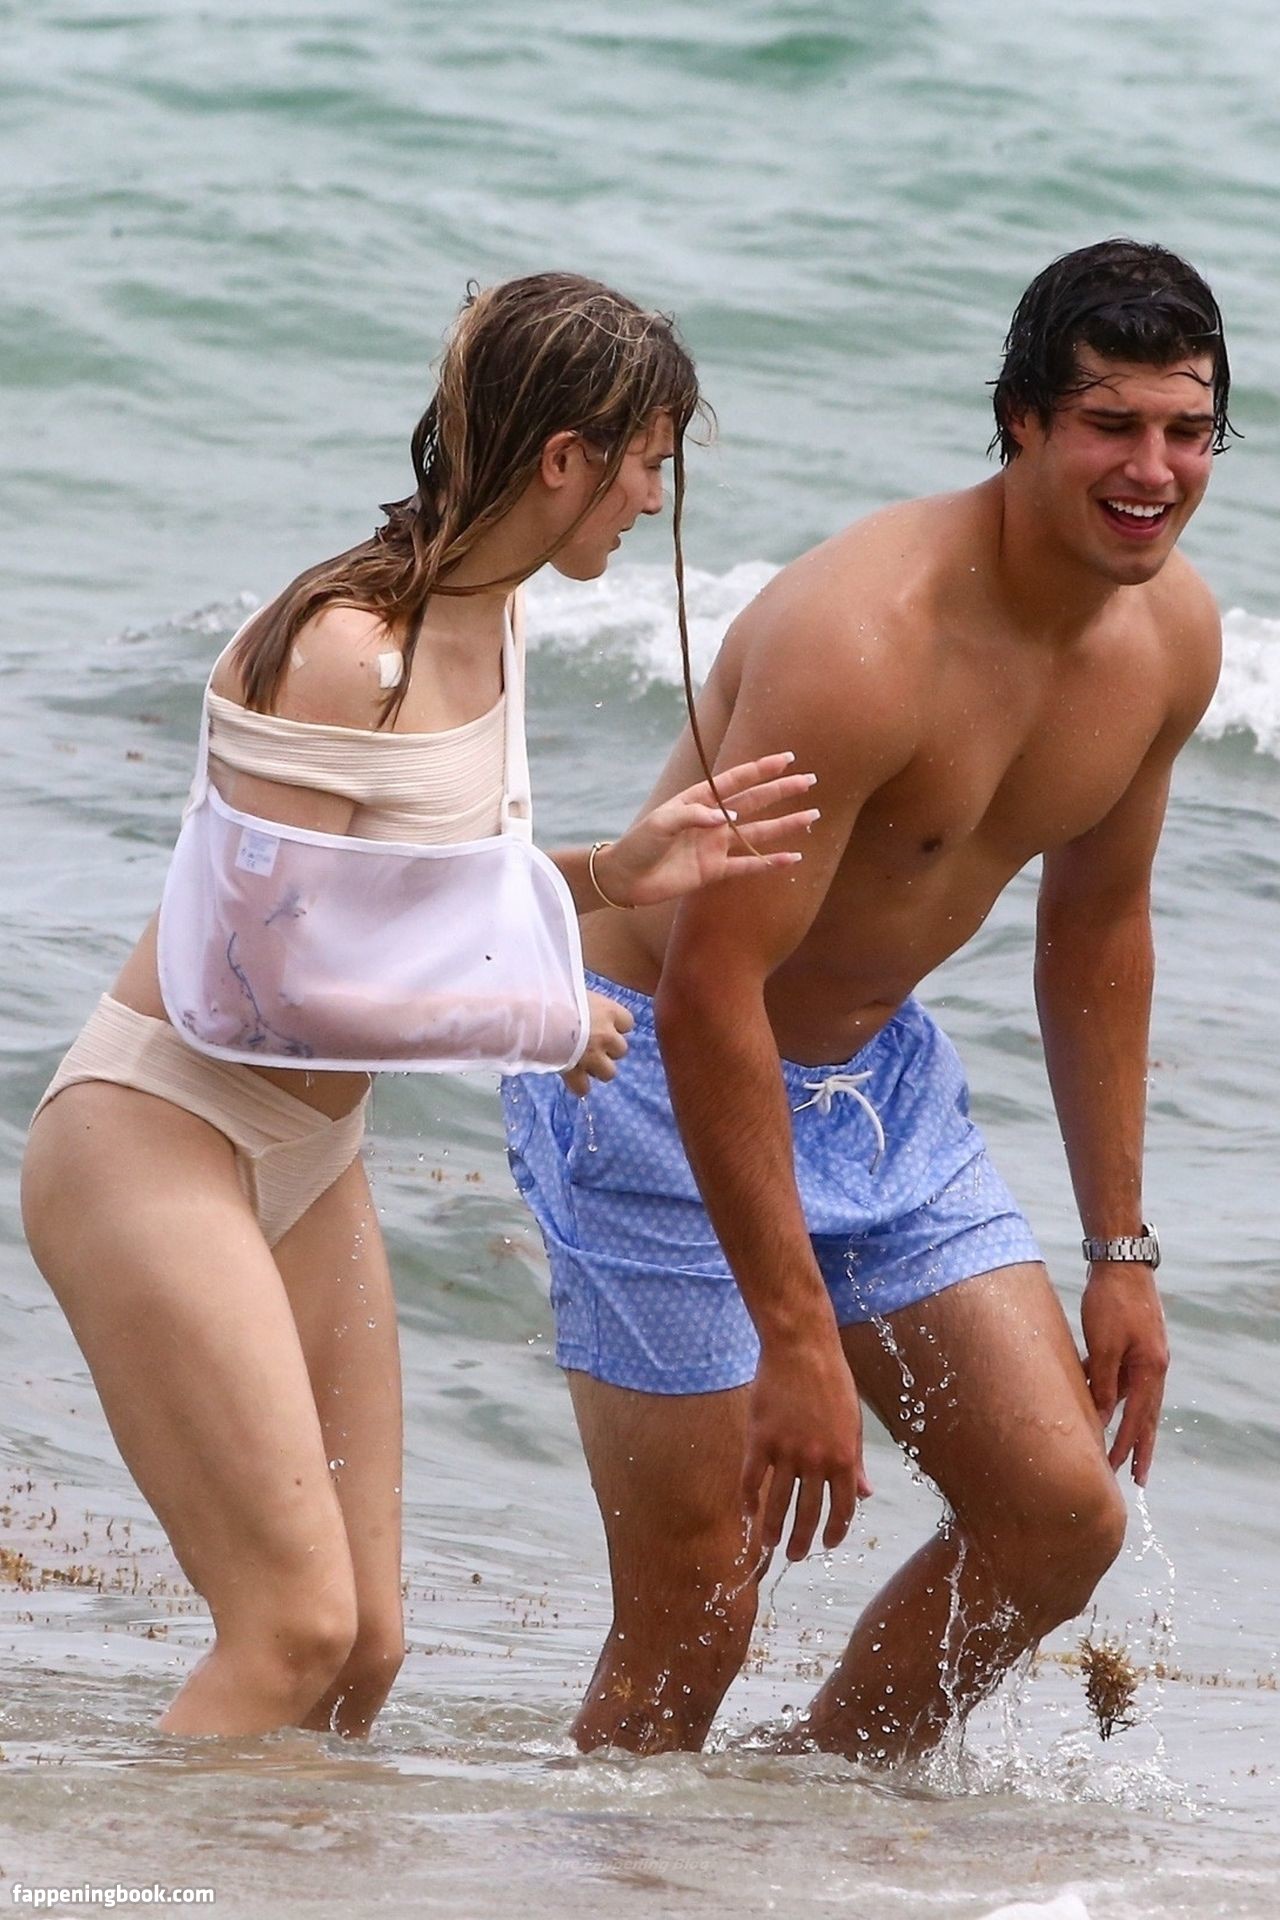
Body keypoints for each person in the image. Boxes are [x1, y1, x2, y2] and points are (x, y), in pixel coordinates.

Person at [20, 272, 821, 1739]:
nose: (654, 499)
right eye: (644, 464)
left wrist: (609, 871)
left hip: (308, 1156)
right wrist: (534, 1016)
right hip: (155, 1134)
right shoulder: (347, 650)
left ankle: (265, 1864)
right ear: (565, 459)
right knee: (293, 1631)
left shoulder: (492, 626)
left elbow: (396, 901)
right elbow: (249, 984)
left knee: (370, 1649)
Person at [503, 239, 1229, 1760]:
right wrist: (797, 1335)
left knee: (1058, 1517)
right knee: (698, 1606)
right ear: (1020, 421)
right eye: (1112, 424)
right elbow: (709, 988)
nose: (1154, 470)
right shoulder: (865, 638)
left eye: (1188, 429)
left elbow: (1099, 929)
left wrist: (1121, 1252)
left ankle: (812, 1819)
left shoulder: (1172, 639)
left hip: (874, 1084)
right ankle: (604, 1860)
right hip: (650, 1078)